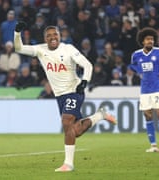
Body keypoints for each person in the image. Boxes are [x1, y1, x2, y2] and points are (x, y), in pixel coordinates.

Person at [14, 22, 117, 172]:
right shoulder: (40, 50)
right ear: (45, 38)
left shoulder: (68, 49)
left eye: (55, 34)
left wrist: (84, 82)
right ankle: (99, 116)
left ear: (60, 36)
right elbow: (19, 48)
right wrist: (17, 32)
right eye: (49, 36)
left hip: (74, 91)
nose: (52, 37)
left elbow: (88, 65)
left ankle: (68, 164)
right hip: (59, 96)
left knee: (66, 121)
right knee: (75, 131)